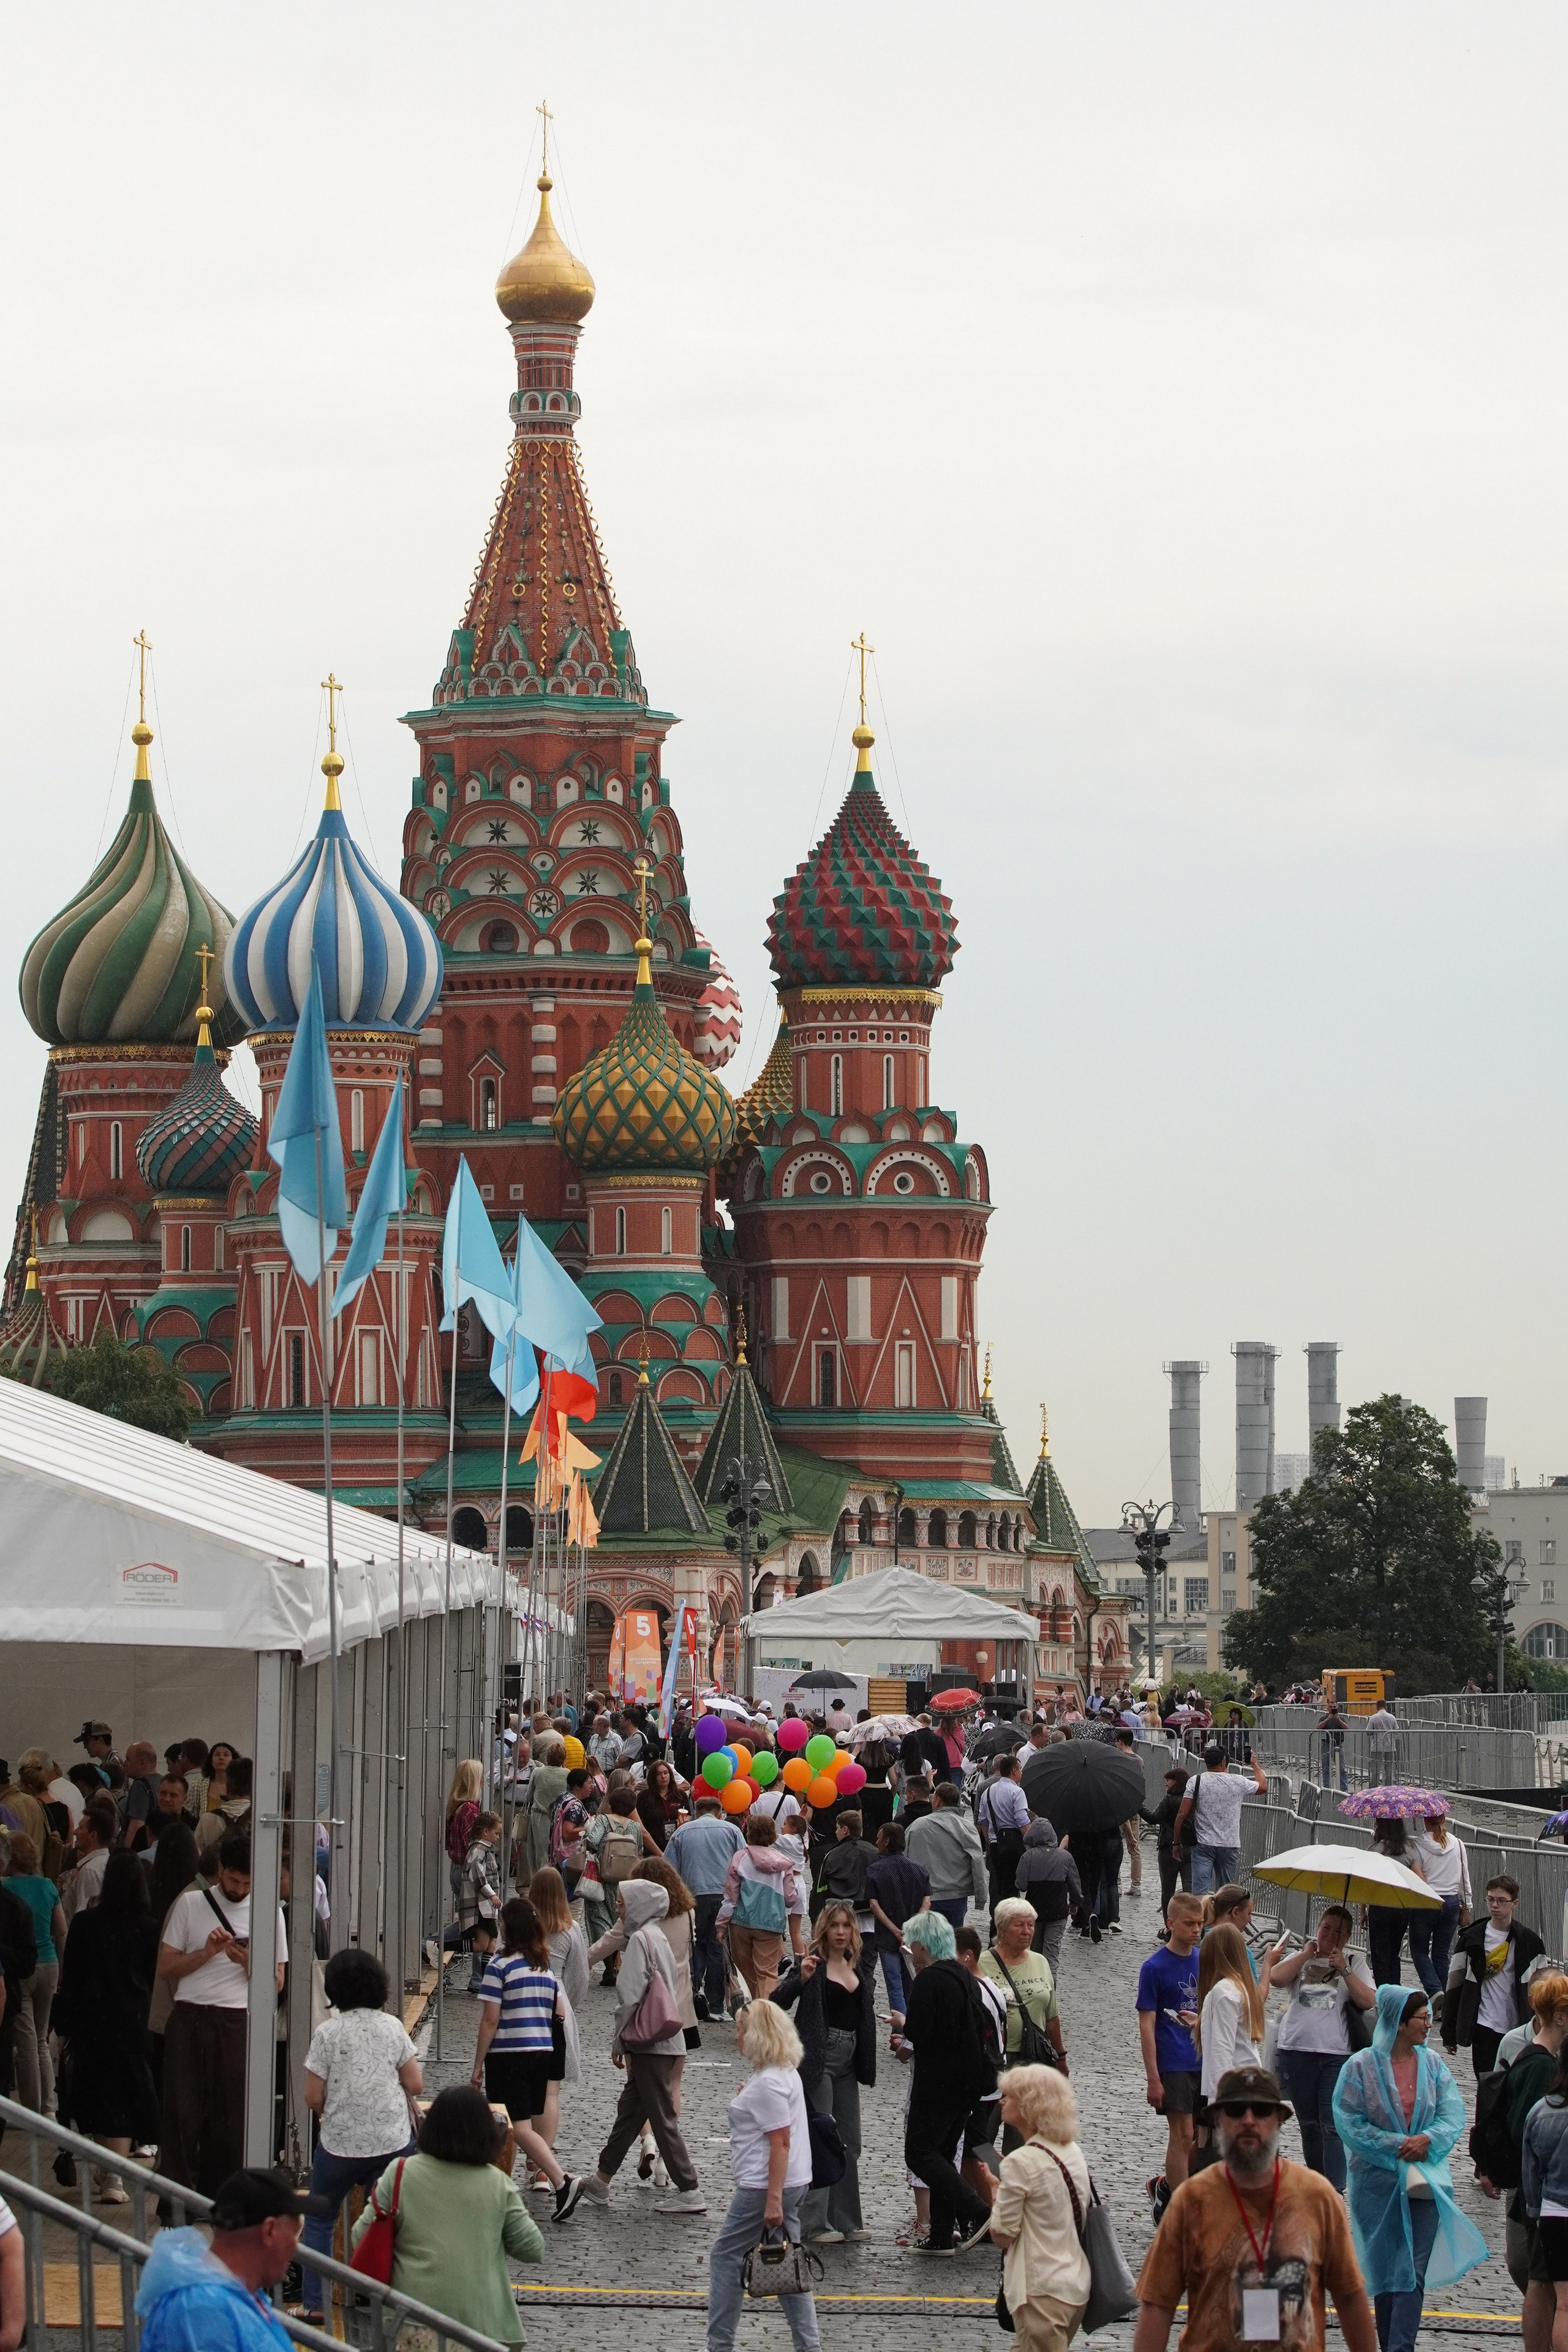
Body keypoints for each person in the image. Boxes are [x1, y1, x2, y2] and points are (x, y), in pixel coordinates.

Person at [1132, 2065, 1376, 2352]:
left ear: (1279, 2121)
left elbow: (1349, 2296)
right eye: (1236, 2111)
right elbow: (1158, 2305)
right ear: (1218, 2121)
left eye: (1261, 2111)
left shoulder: (1318, 2197)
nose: (1249, 2121)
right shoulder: (1190, 2201)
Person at [1333, 1985, 1487, 2352]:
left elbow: (1451, 2114)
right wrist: (1396, 2146)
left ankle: (1400, 2348)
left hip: (1423, 2184)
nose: (1428, 2024)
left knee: (1412, 2272)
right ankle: (1388, 2344)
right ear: (1400, 2024)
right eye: (1422, 2018)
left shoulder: (1433, 2066)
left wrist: (1428, 2140)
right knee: (1387, 2271)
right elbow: (1348, 2120)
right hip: (1377, 2186)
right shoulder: (1360, 2067)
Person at [351, 2087, 544, 2348]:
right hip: (480, 2327)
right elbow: (532, 2248)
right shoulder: (498, 2184)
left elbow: (359, 2236)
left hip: (410, 2321)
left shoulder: (401, 2174)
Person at [157, 1834, 285, 2201]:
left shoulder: (269, 1911)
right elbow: (166, 1966)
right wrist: (206, 1953)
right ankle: (175, 2204)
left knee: (231, 2117)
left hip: (236, 2019)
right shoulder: (190, 1904)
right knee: (182, 2113)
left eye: (247, 1883)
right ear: (220, 1872)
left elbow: (276, 1981)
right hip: (190, 2014)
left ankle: (222, 2201)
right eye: (233, 1881)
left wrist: (247, 1961)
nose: (240, 1889)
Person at [296, 1950, 422, 2320]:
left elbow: (312, 2096)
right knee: (385, 2217)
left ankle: (314, 2304)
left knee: (320, 2220)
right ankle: (382, 2297)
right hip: (392, 2141)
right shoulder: (393, 2026)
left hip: (338, 2145)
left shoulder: (327, 2032)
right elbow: (415, 2084)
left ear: (333, 1989)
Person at [578, 1879, 706, 2214]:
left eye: (623, 1903)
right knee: (630, 2115)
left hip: (650, 2044)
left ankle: (690, 2187)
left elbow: (630, 1995)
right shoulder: (657, 1936)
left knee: (660, 2118)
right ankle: (601, 2181)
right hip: (664, 2040)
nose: (619, 1909)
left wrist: (619, 2038)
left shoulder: (639, 1940)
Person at [705, 1997, 822, 2352]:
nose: (737, 2038)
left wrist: (772, 2200)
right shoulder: (784, 2072)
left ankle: (719, 2345)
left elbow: (780, 2143)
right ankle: (809, 2345)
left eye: (740, 2031)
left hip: (764, 2186)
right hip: (794, 2182)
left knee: (725, 2256)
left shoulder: (768, 2083)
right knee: (789, 2263)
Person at [52, 1850, 160, 2201]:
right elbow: (154, 1979)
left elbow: (72, 1978)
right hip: (134, 2024)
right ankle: (113, 2174)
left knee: (100, 2097)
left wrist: (64, 2022)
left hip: (92, 2024)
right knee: (127, 2097)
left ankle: (109, 2169)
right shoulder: (149, 1927)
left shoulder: (85, 1924)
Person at [470, 1895, 585, 2220]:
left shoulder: (499, 1966)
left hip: (509, 2055)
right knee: (518, 2125)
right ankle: (498, 2186)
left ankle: (562, 2180)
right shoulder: (543, 1968)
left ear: (508, 1928)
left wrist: (478, 2064)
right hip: (540, 2053)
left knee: (517, 2128)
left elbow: (491, 2019)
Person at [137, 2166, 333, 2352]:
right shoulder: (203, 2311)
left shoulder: (235, 2295)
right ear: (269, 2231)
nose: (295, 2249)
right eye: (294, 2236)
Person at [900, 1908, 998, 2255]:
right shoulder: (963, 1975)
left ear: (923, 1944)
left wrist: (902, 2024)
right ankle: (941, 2234)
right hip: (967, 2084)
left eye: (913, 1943)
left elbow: (919, 2033)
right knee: (942, 2153)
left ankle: (979, 2210)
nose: (910, 1950)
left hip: (938, 2083)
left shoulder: (928, 1980)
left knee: (920, 2154)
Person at [1270, 1903, 1376, 2191]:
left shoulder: (1355, 1961)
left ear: (1348, 1936)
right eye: (1325, 1928)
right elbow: (1276, 1978)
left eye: (1338, 1931)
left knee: (1332, 2125)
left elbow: (1368, 2001)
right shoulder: (1302, 1958)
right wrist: (1306, 1954)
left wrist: (1344, 1971)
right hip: (1297, 2051)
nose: (1330, 1934)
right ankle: (1318, 2186)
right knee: (1309, 2125)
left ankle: (1335, 2189)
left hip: (1335, 2055)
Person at [988, 2064, 1091, 2352]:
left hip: (1040, 2292)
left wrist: (995, 2191)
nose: (1002, 2101)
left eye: (1009, 2096)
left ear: (1029, 2105)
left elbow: (1002, 2235)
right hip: (1075, 2285)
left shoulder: (1020, 2163)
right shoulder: (1072, 2152)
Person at [1137, 1890, 1204, 2222]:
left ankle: (1168, 2187)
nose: (1196, 1930)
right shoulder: (1154, 1967)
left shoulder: (1205, 1960)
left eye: (1200, 1924)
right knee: (1182, 2134)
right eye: (1189, 1924)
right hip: (1174, 2061)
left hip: (1205, 2061)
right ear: (1171, 1923)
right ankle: (1181, 2210)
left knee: (1200, 2137)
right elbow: (1147, 2025)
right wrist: (1153, 2077)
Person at [1442, 1872, 1545, 2075]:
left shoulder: (1530, 1943)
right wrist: (1449, 2033)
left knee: (1511, 2086)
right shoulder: (1472, 1938)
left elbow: (1543, 1989)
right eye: (1491, 1899)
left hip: (1518, 2026)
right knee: (1487, 2085)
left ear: (1515, 1903)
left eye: (1501, 1901)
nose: (1495, 1905)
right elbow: (1454, 1985)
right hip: (1484, 2024)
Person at [665, 1794, 744, 2021]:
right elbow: (743, 1863)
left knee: (695, 1946)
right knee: (717, 1949)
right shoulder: (732, 1831)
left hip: (693, 1895)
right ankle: (715, 2005)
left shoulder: (683, 1832)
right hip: (723, 1896)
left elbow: (669, 1867)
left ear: (697, 1812)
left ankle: (692, 1999)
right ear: (720, 1812)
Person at [2, 1832, 62, 2114]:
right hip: (49, 1963)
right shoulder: (47, 1885)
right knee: (41, 2038)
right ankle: (49, 2106)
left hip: (21, 1970)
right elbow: (61, 1930)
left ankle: (30, 2111)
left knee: (24, 2042)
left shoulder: (7, 1889)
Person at [717, 1812, 802, 2003]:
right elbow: (790, 1899)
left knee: (747, 1974)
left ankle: (754, 2011)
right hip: (771, 1925)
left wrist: (721, 1926)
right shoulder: (783, 1863)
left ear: (748, 1832)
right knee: (768, 1974)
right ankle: (765, 2015)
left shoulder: (740, 1858)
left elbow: (730, 1896)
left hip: (741, 1923)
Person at [979, 1898, 1066, 2082]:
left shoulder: (1040, 1962)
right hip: (996, 2055)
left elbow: (1051, 2016)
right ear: (1001, 1929)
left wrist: (1061, 2057)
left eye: (1031, 1925)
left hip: (1035, 2054)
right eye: (1019, 1925)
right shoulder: (981, 1964)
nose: (1027, 1932)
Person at [1520, 2041, 1568, 2352]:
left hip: (1554, 2214)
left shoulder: (1542, 2110)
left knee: (1565, 2304)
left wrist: (1535, 2210)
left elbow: (1530, 2169)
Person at [1174, 1744, 1266, 1896]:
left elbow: (1182, 1815)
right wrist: (1255, 1765)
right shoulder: (1238, 1781)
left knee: (1200, 1893)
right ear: (1224, 1762)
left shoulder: (1196, 1781)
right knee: (1226, 1894)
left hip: (1203, 1844)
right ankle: (1222, 1919)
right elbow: (1263, 1787)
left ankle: (1201, 1918)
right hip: (1229, 1844)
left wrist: (1176, 1843)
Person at [865, 1820, 930, 2027]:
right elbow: (926, 1902)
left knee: (894, 1987)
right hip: (914, 1939)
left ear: (887, 1841)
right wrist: (911, 1928)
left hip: (887, 1939)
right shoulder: (919, 1870)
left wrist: (895, 1931)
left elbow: (874, 1906)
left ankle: (901, 2030)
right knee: (911, 1984)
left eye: (879, 1838)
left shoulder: (875, 1870)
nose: (876, 1841)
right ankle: (913, 2028)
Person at [1196, 1921, 1264, 2109]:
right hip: (1246, 2081)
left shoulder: (1224, 1991)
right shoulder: (1241, 1987)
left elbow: (1222, 2047)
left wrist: (1218, 2101)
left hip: (1234, 2088)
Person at [905, 1782, 987, 1932]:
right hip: (956, 1896)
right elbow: (977, 1861)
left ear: (937, 1801)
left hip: (926, 1897)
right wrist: (980, 1897)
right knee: (952, 1944)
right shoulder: (966, 1827)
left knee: (927, 1944)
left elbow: (904, 1860)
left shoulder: (917, 1826)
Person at [1408, 1811, 1470, 2003]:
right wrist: (1467, 1904)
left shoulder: (1417, 1845)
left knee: (1419, 1950)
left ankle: (1435, 1991)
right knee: (1441, 1953)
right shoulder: (1458, 1844)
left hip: (1427, 1900)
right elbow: (1464, 1878)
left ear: (1424, 1820)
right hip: (1451, 1902)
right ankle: (1447, 1998)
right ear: (1444, 1820)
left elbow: (1416, 1875)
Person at [1364, 1817, 1425, 1988]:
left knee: (1379, 1953)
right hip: (1401, 1907)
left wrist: (1363, 1911)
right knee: (1394, 1953)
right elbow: (1420, 1880)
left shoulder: (1375, 1850)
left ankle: (1383, 1991)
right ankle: (1395, 1989)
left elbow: (1366, 1883)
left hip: (1379, 1906)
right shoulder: (1409, 1849)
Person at [1013, 1822, 1080, 1975]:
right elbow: (1075, 1885)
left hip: (1035, 1913)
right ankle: (1050, 1993)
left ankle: (1037, 1988)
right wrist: (1075, 1903)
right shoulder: (1065, 1857)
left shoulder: (1027, 1857)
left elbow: (1021, 1885)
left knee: (1036, 1955)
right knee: (1051, 1957)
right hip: (1058, 1912)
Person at [527, 1865, 590, 2013]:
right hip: (557, 1996)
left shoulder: (521, 1925)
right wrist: (567, 2003)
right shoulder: (570, 1929)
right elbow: (580, 1977)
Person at [1140, 1765, 1191, 1931]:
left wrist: (1138, 1806)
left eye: (1168, 1780)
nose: (1166, 1784)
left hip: (1169, 1848)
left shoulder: (1170, 1800)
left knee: (1168, 1891)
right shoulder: (1191, 1799)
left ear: (1176, 1782)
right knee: (1189, 1891)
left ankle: (1169, 1926)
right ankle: (1190, 1923)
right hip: (1189, 1848)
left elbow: (1153, 1818)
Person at [978, 1751, 1030, 1913]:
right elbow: (1022, 1821)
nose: (1022, 1772)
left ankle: (996, 1921)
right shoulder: (1017, 1792)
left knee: (997, 1885)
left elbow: (983, 1821)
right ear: (1014, 1770)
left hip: (995, 1845)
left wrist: (990, 1841)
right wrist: (1031, 1841)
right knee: (1012, 1887)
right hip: (1013, 1843)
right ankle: (1010, 1919)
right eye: (1020, 1769)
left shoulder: (988, 1791)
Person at [457, 1809, 503, 1994]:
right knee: (481, 1944)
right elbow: (478, 1876)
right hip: (481, 1906)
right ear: (485, 1832)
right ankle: (440, 1945)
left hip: (487, 1908)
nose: (498, 1837)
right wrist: (491, 1894)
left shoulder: (485, 1850)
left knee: (491, 1943)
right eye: (496, 1833)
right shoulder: (478, 1850)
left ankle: (486, 1983)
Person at [61, 1796, 119, 1924]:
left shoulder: (90, 1871)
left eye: (81, 1828)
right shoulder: (106, 1863)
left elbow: (84, 1919)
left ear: (93, 1836)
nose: (75, 1832)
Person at [525, 1737, 571, 1883]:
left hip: (540, 1817)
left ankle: (540, 1882)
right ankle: (556, 1882)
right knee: (559, 1852)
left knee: (541, 1853)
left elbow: (529, 1796)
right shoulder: (568, 1774)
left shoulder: (538, 1772)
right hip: (561, 1819)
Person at [195, 1757, 252, 1857]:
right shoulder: (261, 1820)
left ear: (228, 1786)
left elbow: (197, 1855)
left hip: (218, 1872)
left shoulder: (208, 1819)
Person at [636, 1760, 684, 1851]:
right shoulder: (644, 1796)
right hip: (653, 1847)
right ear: (653, 1777)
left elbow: (689, 1815)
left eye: (666, 1773)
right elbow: (639, 1825)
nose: (663, 1777)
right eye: (659, 1774)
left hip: (677, 1844)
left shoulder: (680, 1795)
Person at [1317, 1697, 1350, 1792]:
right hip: (1326, 1744)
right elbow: (1318, 1728)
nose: (1332, 1708)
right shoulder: (1323, 1718)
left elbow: (1347, 1728)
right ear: (1328, 1709)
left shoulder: (1341, 1718)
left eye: (1334, 1707)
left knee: (1342, 1768)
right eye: (1330, 1707)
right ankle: (1327, 1788)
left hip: (1339, 1744)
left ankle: (1344, 1789)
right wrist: (1327, 1720)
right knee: (1326, 1767)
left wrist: (1338, 1720)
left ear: (1337, 1708)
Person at [1367, 1700, 1400, 1785]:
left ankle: (1374, 1787)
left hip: (1377, 1746)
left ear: (1377, 1706)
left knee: (1376, 1769)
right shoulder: (1392, 1717)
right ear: (1386, 1706)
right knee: (1389, 1768)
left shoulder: (1373, 1717)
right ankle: (1388, 1787)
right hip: (1390, 1746)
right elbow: (1396, 1730)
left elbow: (1368, 1732)